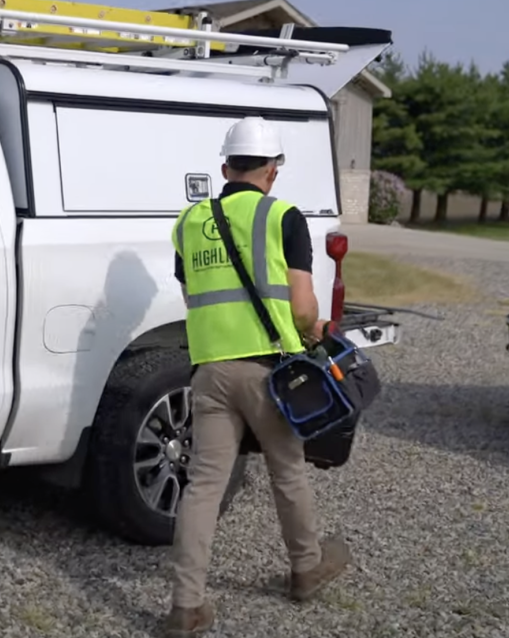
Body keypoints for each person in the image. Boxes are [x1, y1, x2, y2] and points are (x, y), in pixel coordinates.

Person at [164, 117, 351, 637]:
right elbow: (301, 306)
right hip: (269, 372)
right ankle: (306, 568)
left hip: (209, 370)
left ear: (225, 168)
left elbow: (190, 297)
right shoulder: (282, 217)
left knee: (203, 485)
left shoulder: (187, 222)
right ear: (274, 169)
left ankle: (186, 606)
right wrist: (314, 332)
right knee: (287, 471)